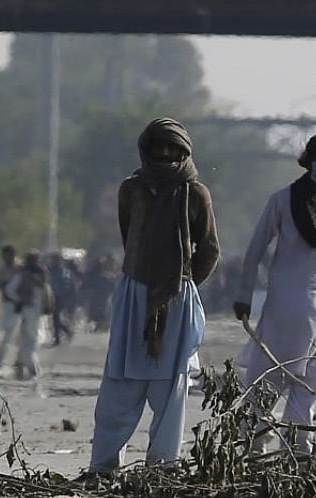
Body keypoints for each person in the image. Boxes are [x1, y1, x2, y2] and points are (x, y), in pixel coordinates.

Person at [85, 118, 220, 477]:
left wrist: (182, 284)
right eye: (157, 150)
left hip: (177, 296)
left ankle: (161, 467)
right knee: (120, 380)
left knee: (170, 386)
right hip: (134, 292)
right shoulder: (131, 190)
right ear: (145, 151)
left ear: (183, 153)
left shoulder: (196, 194)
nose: (163, 157)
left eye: (171, 151)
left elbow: (209, 249)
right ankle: (103, 465)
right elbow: (129, 235)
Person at [234, 132, 316, 457]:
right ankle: (254, 442)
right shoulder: (283, 200)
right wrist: (243, 296)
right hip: (288, 302)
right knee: (273, 376)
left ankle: (299, 445)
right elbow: (255, 249)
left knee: (311, 377)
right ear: (309, 163)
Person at [8, 251, 55, 380]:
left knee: (27, 340)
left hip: (33, 312)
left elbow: (11, 290)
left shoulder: (29, 274)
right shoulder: (34, 275)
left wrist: (20, 300)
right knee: (30, 341)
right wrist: (22, 300)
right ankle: (32, 369)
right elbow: (11, 290)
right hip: (33, 312)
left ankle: (22, 364)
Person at [0, 246, 23, 369]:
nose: (4, 258)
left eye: (6, 255)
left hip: (18, 304)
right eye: (3, 256)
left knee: (10, 333)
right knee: (14, 334)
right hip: (8, 304)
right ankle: (20, 360)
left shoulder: (19, 268)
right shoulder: (3, 269)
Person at [50, 256, 82, 346]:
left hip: (60, 296)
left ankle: (59, 336)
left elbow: (67, 284)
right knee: (55, 317)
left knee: (56, 316)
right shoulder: (51, 270)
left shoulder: (64, 271)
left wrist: (65, 294)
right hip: (53, 296)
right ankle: (64, 332)